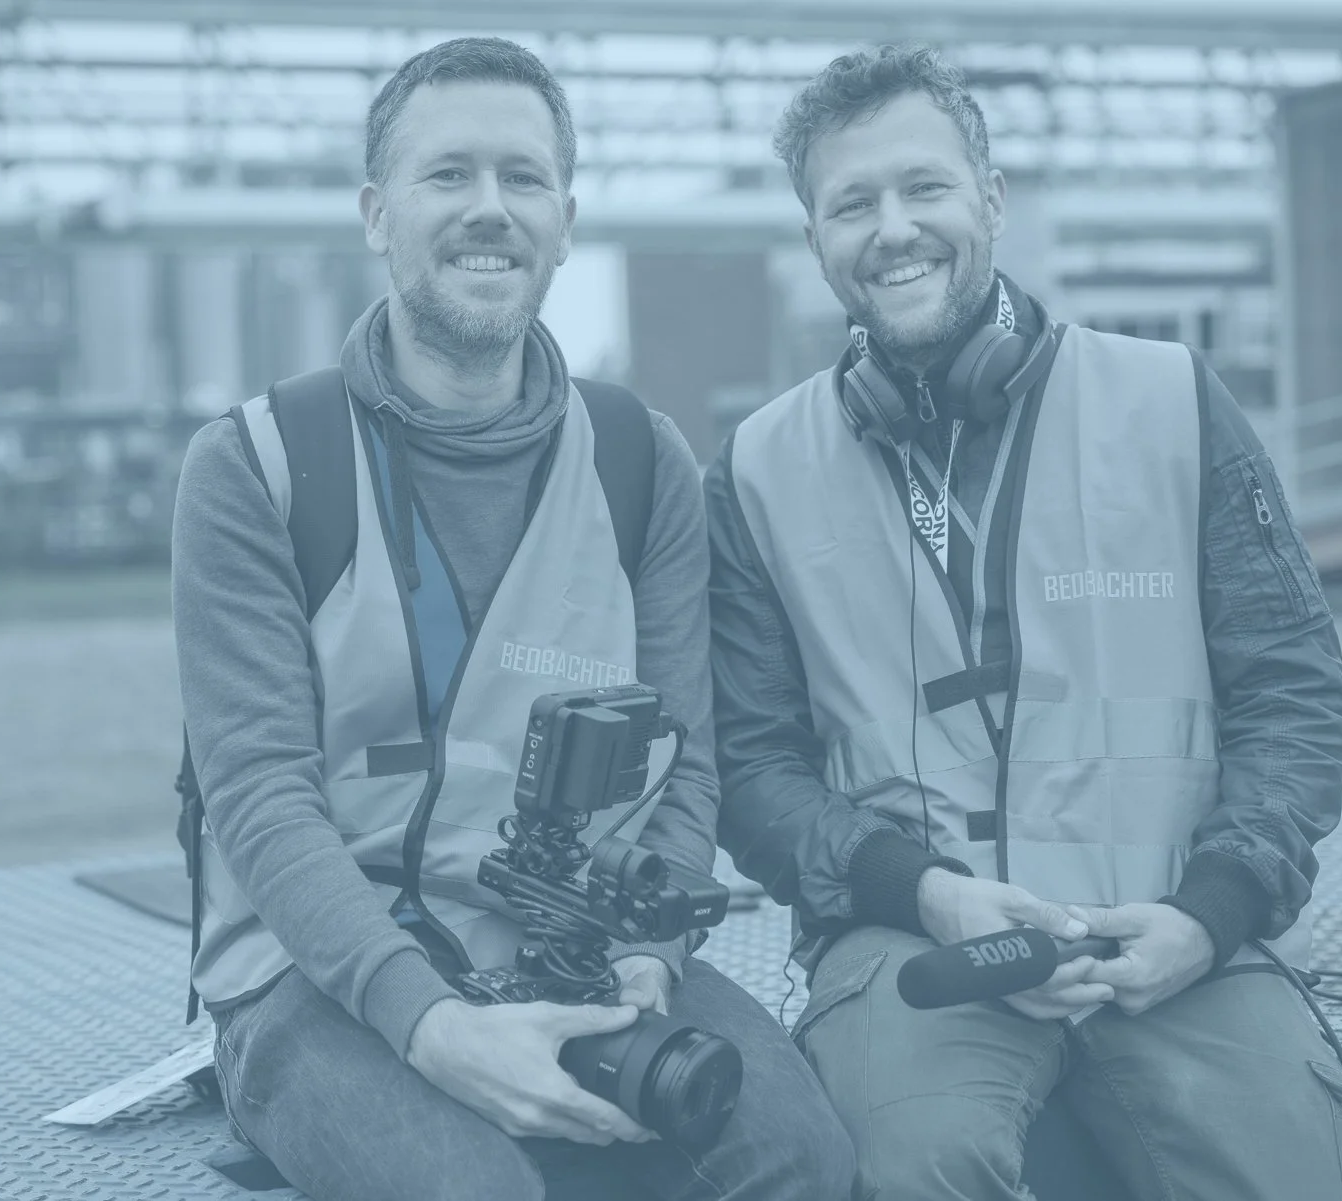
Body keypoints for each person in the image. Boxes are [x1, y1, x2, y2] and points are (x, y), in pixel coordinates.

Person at [172, 36, 852, 1201]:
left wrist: (648, 953)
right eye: (449, 176)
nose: (489, 209)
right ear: (377, 213)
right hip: (318, 973)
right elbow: (258, 792)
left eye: (522, 179)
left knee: (804, 1160)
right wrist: (429, 1022)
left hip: (574, 947)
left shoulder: (642, 460)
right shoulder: (259, 466)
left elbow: (686, 761)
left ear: (566, 219)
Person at [706, 43, 1342, 1201]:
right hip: (916, 945)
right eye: (852, 205)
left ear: (992, 198)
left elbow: (1295, 695)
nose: (894, 229)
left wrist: (1209, 912)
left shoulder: (1171, 398)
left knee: (1306, 1174)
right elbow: (754, 770)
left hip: (1183, 934)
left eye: (924, 188)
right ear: (814, 238)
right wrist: (926, 893)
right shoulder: (759, 467)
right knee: (904, 1169)